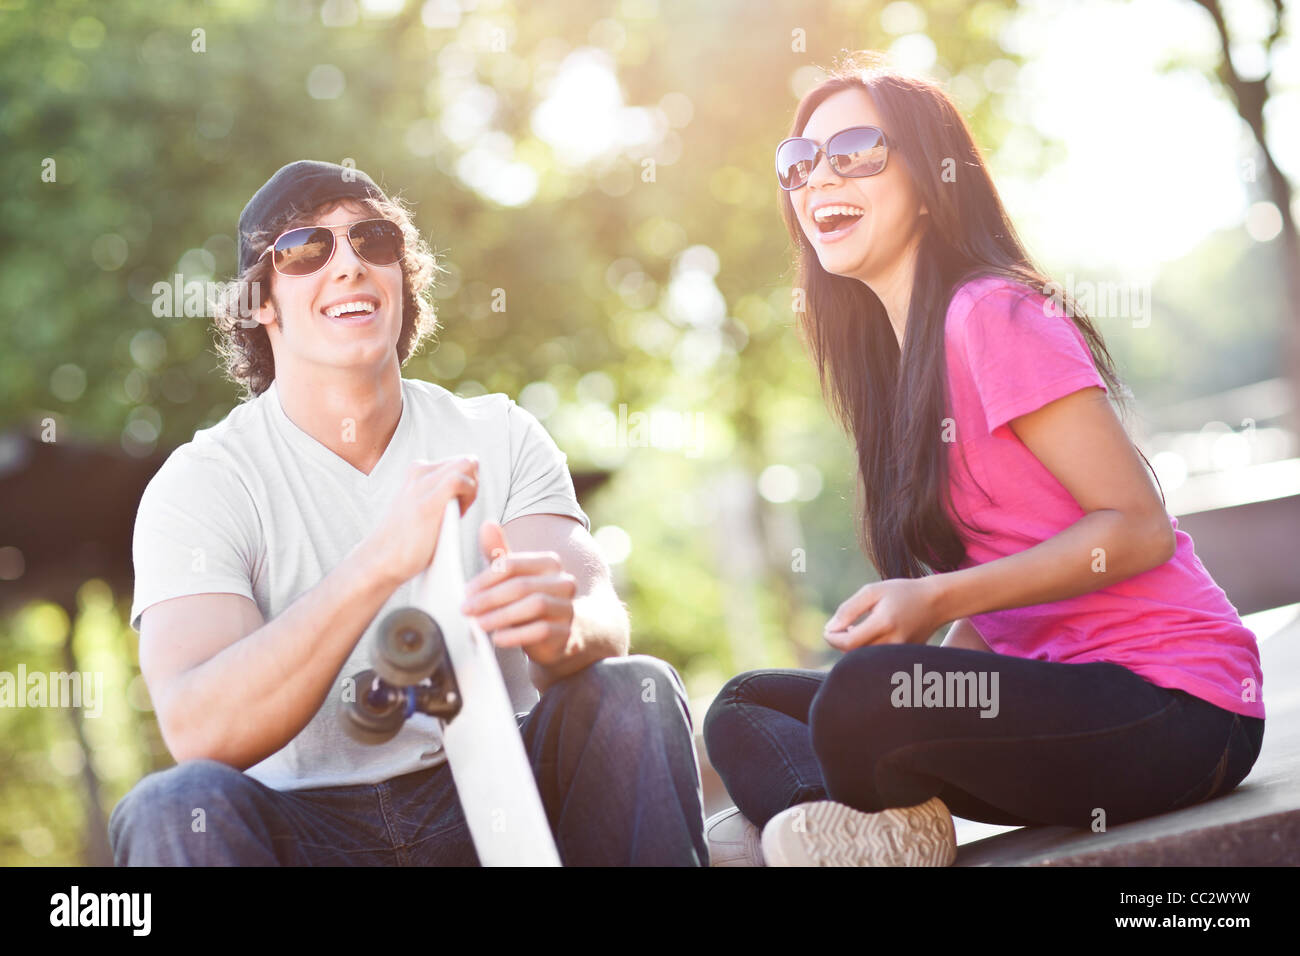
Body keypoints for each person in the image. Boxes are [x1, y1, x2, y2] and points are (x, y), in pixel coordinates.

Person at [702, 52, 1266, 867]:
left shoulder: (992, 313)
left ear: (931, 184)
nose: (819, 177)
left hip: (1178, 708)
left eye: (857, 151)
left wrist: (931, 604)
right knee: (746, 704)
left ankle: (838, 817)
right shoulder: (895, 377)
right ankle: (852, 834)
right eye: (798, 162)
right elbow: (1003, 603)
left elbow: (1137, 529)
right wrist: (929, 670)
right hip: (1061, 700)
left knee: (864, 698)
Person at [108, 160, 706, 866]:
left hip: (497, 795)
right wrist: (377, 564)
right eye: (305, 250)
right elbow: (200, 728)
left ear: (403, 276)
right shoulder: (203, 484)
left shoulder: (500, 433)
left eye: (374, 241)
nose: (349, 266)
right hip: (307, 833)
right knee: (173, 806)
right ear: (261, 302)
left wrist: (563, 626)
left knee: (631, 689)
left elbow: (599, 616)